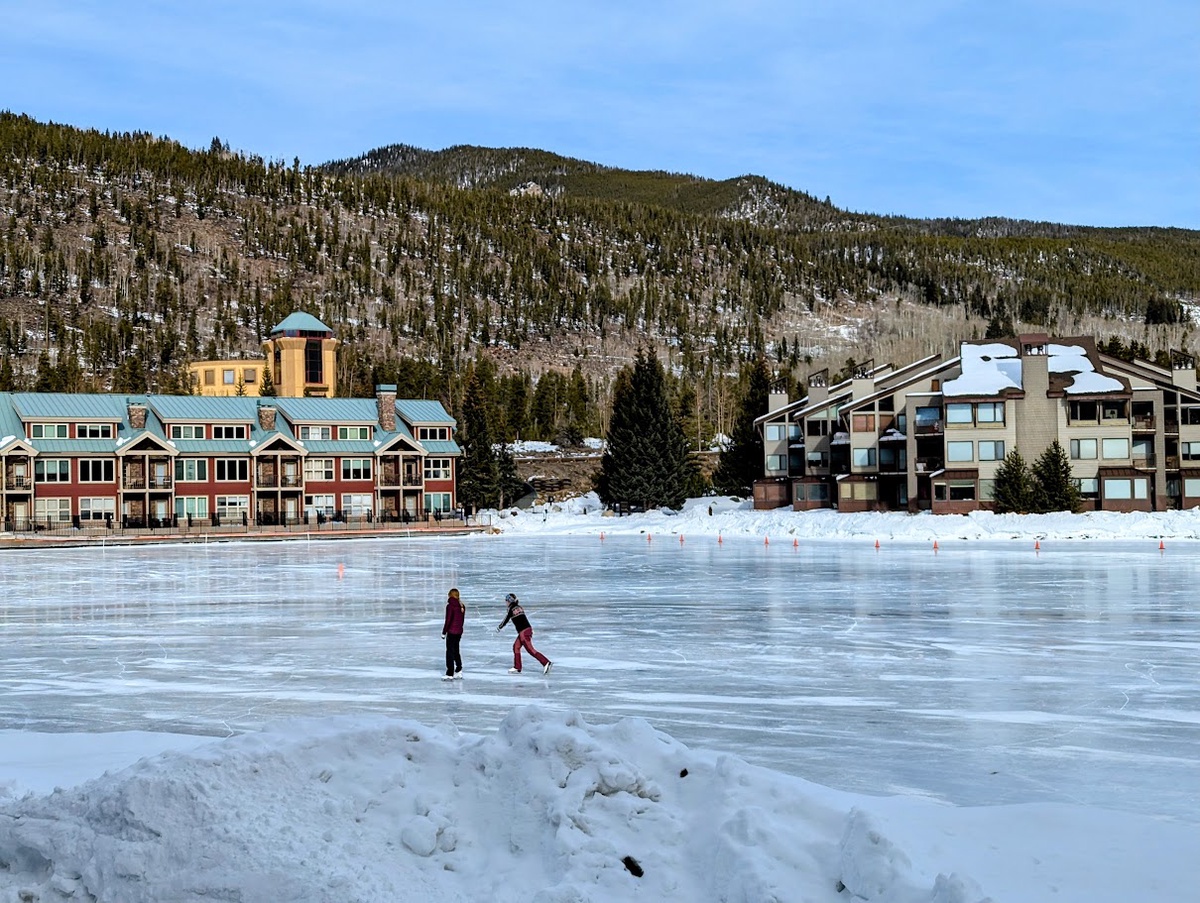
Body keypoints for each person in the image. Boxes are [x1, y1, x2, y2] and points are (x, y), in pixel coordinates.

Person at [496, 592, 551, 675]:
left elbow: (506, 619)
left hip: (524, 632)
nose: (506, 602)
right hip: (526, 630)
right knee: (516, 647)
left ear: (509, 601)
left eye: (506, 601)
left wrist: (499, 627)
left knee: (530, 650)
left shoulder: (511, 609)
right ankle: (517, 667)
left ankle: (546, 662)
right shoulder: (519, 607)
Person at [441, 588, 465, 680]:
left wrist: (444, 632)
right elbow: (461, 620)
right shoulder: (461, 605)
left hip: (451, 632)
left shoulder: (450, 606)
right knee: (456, 650)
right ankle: (458, 669)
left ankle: (450, 673)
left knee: (449, 652)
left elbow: (448, 620)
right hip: (459, 631)